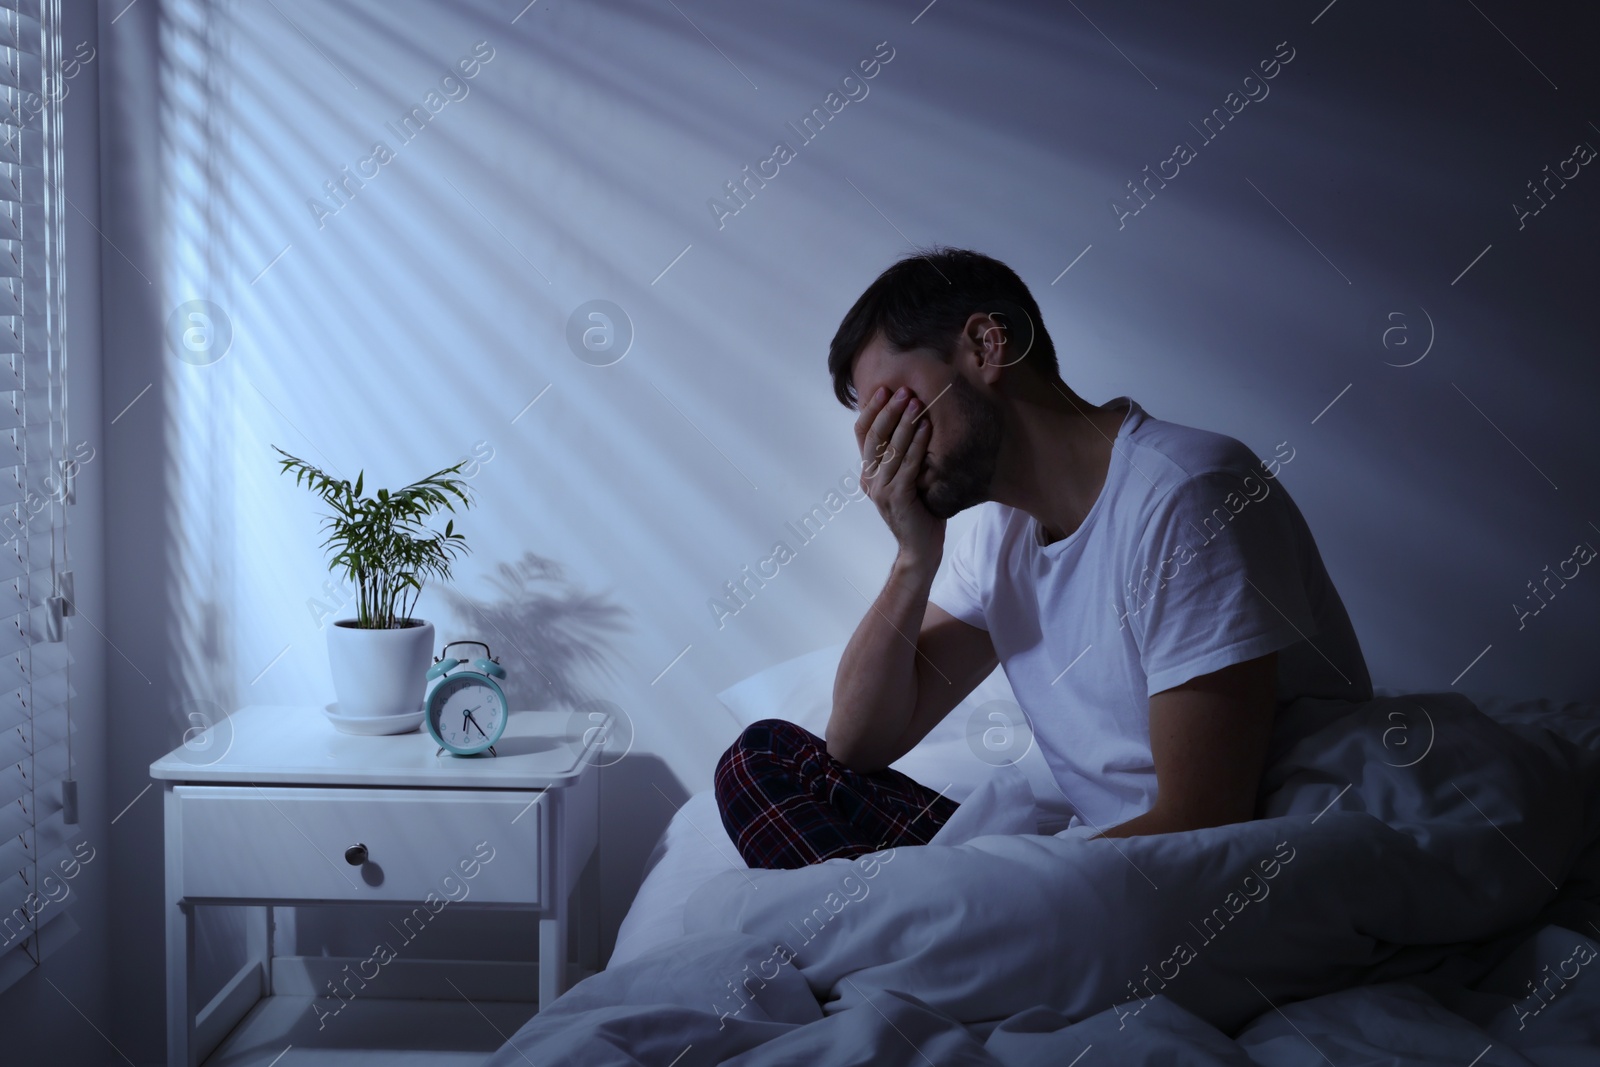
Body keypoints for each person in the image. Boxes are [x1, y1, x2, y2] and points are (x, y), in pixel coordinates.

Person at [715, 246, 1371, 870]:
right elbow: (857, 743)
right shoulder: (994, 536)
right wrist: (914, 558)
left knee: (941, 903)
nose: (885, 451)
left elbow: (1204, 820)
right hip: (1107, 855)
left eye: (895, 404)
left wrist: (1011, 884)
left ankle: (916, 936)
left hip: (1203, 868)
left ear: (984, 346)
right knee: (762, 759)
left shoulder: (1187, 492)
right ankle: (908, 931)